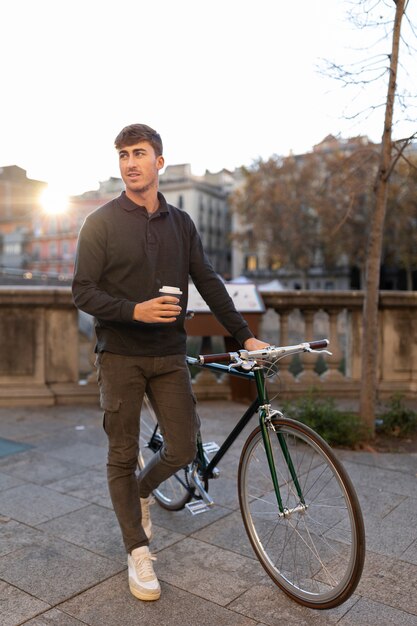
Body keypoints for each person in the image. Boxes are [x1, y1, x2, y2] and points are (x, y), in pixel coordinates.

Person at [72, 123, 269, 602]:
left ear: (159, 161)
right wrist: (134, 310)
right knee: (120, 454)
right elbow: (83, 291)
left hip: (168, 354)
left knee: (182, 449)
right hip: (118, 354)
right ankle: (137, 550)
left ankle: (139, 490)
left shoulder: (182, 223)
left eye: (139, 153)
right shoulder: (99, 222)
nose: (130, 162)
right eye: (123, 155)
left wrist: (245, 335)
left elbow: (207, 279)